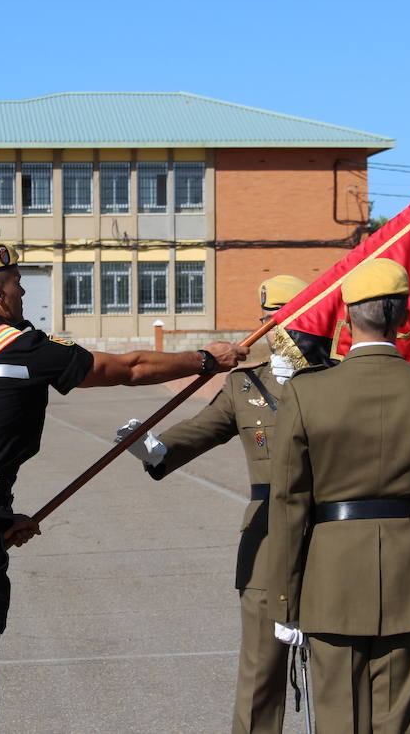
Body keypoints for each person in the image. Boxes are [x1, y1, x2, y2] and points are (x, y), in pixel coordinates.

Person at [0, 242, 247, 734]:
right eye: (17, 283)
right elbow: (129, 369)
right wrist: (205, 359)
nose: (22, 292)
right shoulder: (21, 346)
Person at [267, 259, 410, 734]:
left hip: (329, 578)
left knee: (338, 719)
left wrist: (284, 598)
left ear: (347, 315)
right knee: (397, 723)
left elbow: (288, 504)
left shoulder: (306, 393)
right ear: (404, 315)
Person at [116, 275, 309, 734]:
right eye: (268, 320)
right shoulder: (246, 385)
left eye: (284, 318)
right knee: (261, 670)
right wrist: (157, 448)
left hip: (330, 533)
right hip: (266, 538)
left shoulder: (337, 378)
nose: (275, 329)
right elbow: (205, 428)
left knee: (340, 670)